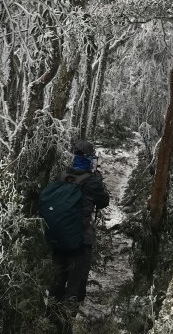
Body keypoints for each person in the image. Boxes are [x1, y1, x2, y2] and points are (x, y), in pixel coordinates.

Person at [47, 140, 109, 333]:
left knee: (56, 286)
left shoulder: (61, 176)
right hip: (81, 243)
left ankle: (49, 326)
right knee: (75, 289)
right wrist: (97, 178)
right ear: (90, 158)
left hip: (58, 241)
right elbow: (104, 201)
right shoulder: (91, 181)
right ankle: (65, 328)